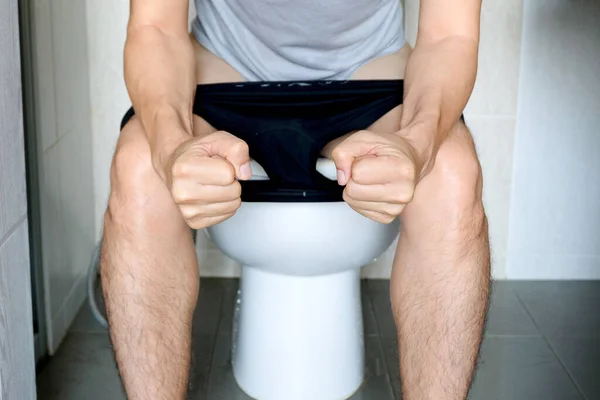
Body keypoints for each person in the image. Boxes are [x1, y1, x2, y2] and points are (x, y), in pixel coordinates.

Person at [100, 0, 490, 398]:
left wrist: (416, 145)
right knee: (138, 169)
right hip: (221, 74)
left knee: (452, 173)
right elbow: (156, 29)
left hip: (371, 77)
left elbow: (449, 36)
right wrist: (170, 150)